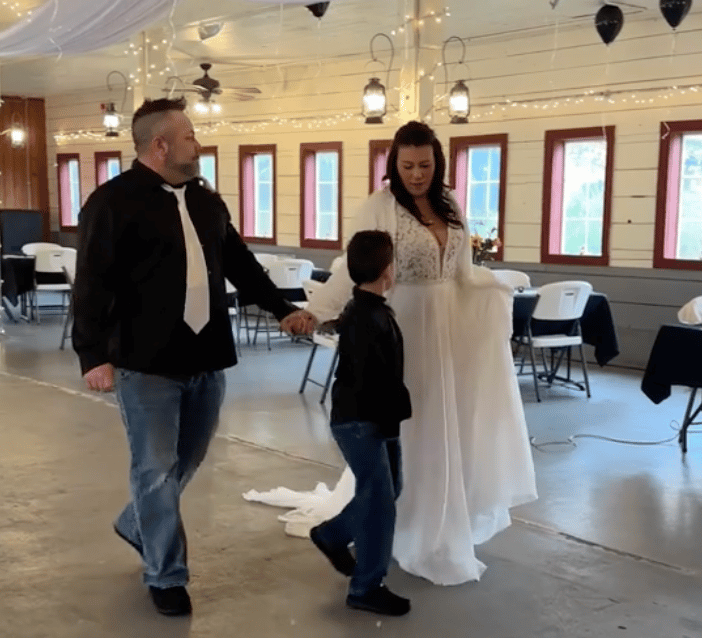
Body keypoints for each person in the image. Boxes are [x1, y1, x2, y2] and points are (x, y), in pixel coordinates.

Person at [261, 121, 537, 585]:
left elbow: (464, 270)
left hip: (448, 325)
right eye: (407, 166)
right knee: (410, 426)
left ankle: (440, 520)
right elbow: (353, 268)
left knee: (443, 424)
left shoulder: (449, 201)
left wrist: (497, 287)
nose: (416, 175)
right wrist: (317, 310)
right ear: (394, 163)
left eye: (425, 165)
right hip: (401, 322)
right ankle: (400, 522)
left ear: (438, 162)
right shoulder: (379, 205)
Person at [72, 97, 307, 617]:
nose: (197, 144)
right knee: (154, 469)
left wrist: (282, 309)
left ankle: (137, 523)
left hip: (205, 357)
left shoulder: (204, 200)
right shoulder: (111, 204)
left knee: (186, 460)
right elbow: (89, 284)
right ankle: (166, 574)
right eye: (189, 136)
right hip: (145, 364)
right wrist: (93, 355)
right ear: (160, 145)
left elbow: (240, 265)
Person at [311, 230, 412, 617]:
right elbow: (375, 382)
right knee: (379, 505)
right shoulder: (368, 318)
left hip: (370, 418)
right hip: (362, 421)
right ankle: (367, 587)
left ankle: (332, 535)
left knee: (387, 490)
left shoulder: (368, 308)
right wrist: (389, 425)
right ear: (388, 269)